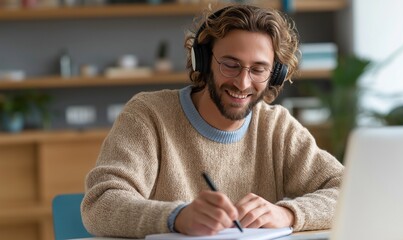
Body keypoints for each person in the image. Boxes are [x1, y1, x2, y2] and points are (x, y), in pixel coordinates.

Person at [81, 4, 344, 238]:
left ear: (275, 75)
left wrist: (288, 214)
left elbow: (348, 189)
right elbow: (100, 204)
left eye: (258, 69)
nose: (243, 83)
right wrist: (177, 217)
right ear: (203, 61)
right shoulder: (149, 115)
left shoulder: (277, 127)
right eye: (230, 64)